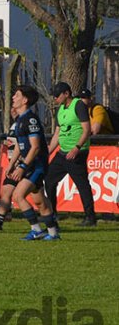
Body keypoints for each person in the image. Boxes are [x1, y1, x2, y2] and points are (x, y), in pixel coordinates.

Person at [0, 86, 58, 239]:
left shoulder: (30, 120)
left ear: (25, 100)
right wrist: (11, 165)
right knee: (40, 202)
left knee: (18, 195)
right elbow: (20, 144)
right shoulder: (20, 120)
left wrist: (23, 167)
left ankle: (36, 230)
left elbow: (36, 147)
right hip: (29, 164)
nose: (13, 98)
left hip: (36, 165)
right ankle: (53, 233)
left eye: (16, 95)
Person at [45, 81, 96, 226]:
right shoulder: (60, 109)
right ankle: (52, 213)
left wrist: (77, 148)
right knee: (49, 180)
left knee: (82, 185)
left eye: (57, 96)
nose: (55, 99)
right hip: (62, 153)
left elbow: (86, 129)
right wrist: (49, 151)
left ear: (66, 94)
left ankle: (90, 218)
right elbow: (57, 133)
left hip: (76, 153)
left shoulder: (78, 105)